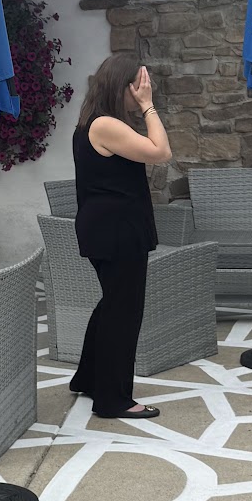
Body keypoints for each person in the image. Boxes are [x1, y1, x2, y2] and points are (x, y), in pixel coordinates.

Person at [68, 53, 171, 420]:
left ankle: (89, 378)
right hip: (116, 230)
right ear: (124, 87)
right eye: (139, 86)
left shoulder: (93, 122)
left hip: (111, 227)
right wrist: (149, 107)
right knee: (123, 312)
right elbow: (161, 152)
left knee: (113, 304)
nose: (143, 91)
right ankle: (113, 399)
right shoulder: (105, 125)